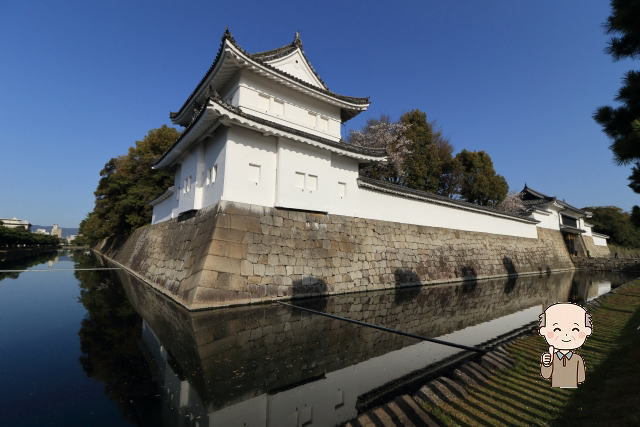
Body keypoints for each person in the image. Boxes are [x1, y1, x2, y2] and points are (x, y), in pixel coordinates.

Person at [538, 303, 592, 388]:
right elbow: (546, 374)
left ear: (586, 331)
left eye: (575, 329)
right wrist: (546, 364)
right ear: (544, 331)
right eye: (557, 329)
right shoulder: (554, 358)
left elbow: (581, 377)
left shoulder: (577, 359)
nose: (566, 335)